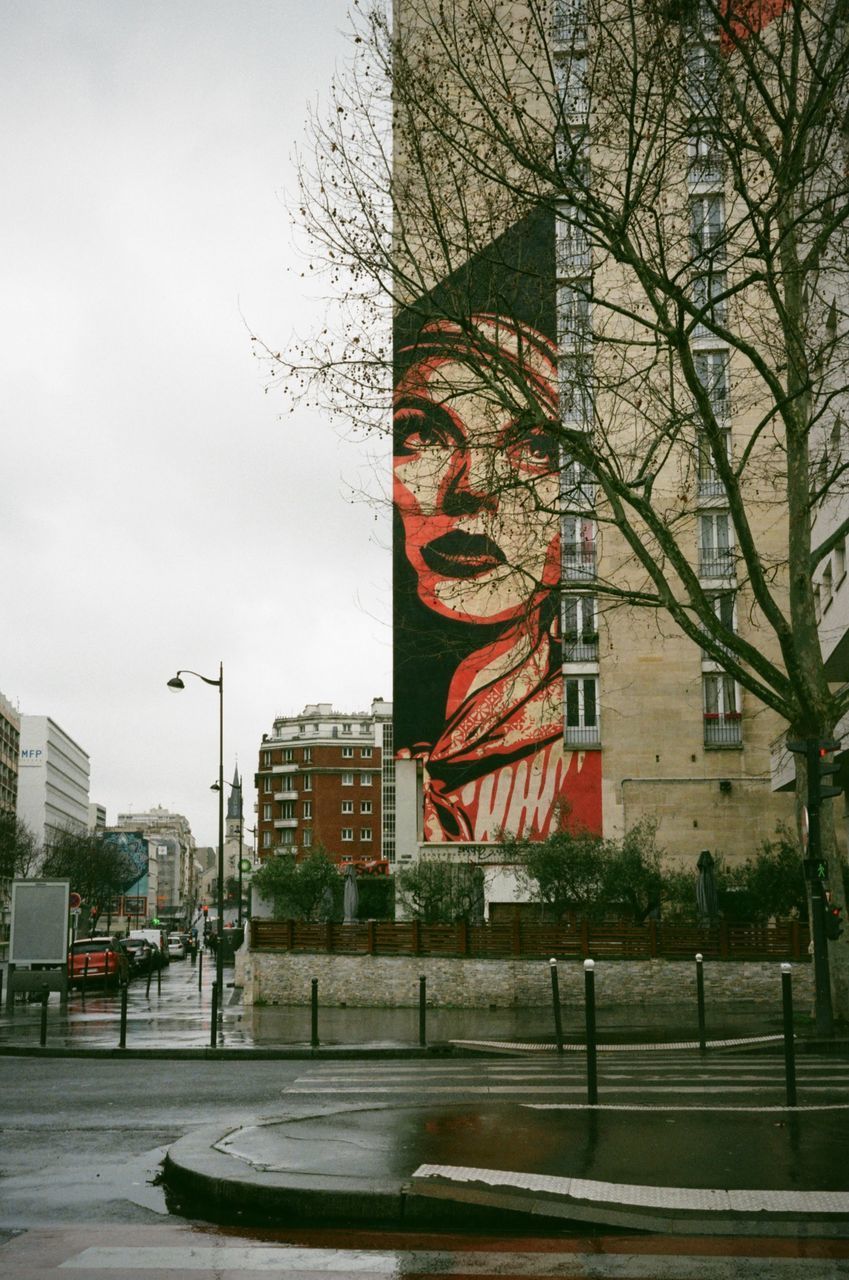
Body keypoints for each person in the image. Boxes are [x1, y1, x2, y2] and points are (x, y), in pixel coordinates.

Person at [394, 313, 600, 842]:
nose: (470, 486)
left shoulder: (575, 740)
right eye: (421, 433)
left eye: (536, 448)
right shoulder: (448, 720)